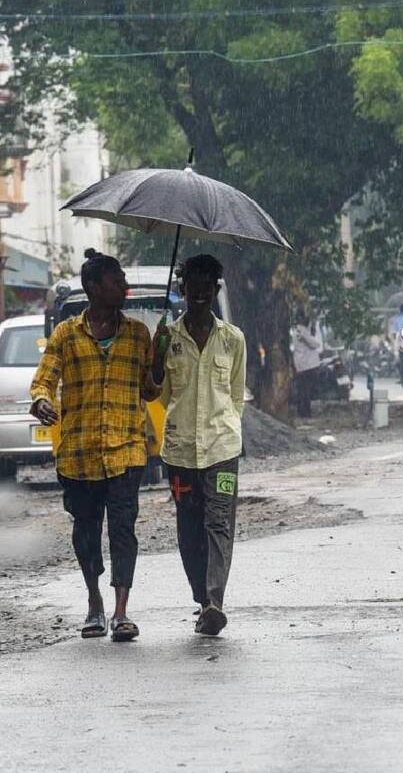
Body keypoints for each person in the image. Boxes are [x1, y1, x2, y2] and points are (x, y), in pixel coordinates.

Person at [29, 249, 160, 642]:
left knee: (123, 530)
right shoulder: (66, 335)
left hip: (126, 450)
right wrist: (41, 401)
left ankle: (121, 613)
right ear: (93, 288)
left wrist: (160, 360)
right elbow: (44, 380)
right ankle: (94, 602)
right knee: (86, 534)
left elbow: (150, 391)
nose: (124, 287)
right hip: (79, 455)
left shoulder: (138, 334)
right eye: (116, 281)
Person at [151, 254, 247, 637]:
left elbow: (236, 396)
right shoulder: (168, 339)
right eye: (194, 288)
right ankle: (199, 597)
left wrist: (225, 428)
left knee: (219, 521)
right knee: (189, 526)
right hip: (179, 451)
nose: (201, 295)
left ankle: (214, 602)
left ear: (216, 290)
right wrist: (156, 359)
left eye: (208, 288)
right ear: (183, 290)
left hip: (223, 450)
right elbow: (159, 394)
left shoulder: (233, 339)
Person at [291, 315, 322, 418]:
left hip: (303, 364)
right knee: (305, 390)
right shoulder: (302, 331)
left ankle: (303, 411)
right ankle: (305, 412)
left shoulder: (298, 330)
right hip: (306, 364)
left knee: (303, 389)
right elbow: (315, 344)